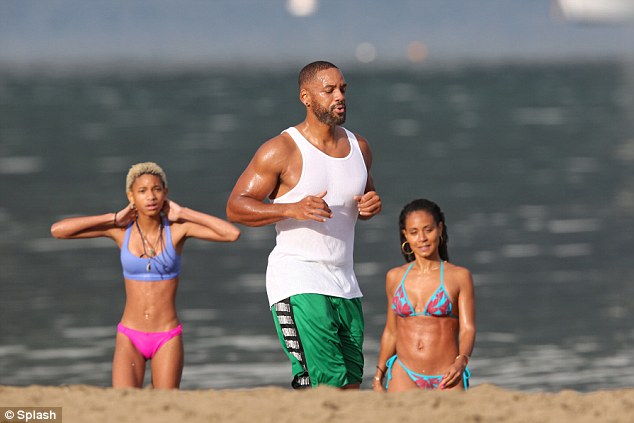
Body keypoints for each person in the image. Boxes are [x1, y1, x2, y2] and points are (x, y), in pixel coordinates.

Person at [226, 60, 382, 389]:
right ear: (306, 97)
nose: (339, 96)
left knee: (351, 384)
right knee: (325, 383)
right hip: (298, 279)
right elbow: (236, 206)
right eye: (329, 90)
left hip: (345, 282)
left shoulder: (360, 147)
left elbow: (364, 199)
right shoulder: (281, 149)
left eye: (343, 89)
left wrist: (371, 206)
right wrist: (291, 209)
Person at [50, 162, 240, 389]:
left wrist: (183, 212)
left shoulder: (177, 230)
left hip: (167, 336)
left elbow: (232, 234)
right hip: (130, 335)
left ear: (165, 193)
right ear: (131, 196)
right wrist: (113, 217)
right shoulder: (121, 231)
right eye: (142, 191)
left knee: (165, 403)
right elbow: (58, 231)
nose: (150, 196)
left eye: (156, 189)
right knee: (124, 402)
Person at [373, 199, 475, 392]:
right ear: (405, 235)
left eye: (428, 230)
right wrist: (379, 375)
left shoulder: (459, 276)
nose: (422, 238)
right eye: (414, 232)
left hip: (447, 373)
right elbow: (391, 331)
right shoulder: (395, 277)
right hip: (404, 371)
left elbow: (467, 329)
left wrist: (461, 361)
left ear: (439, 228)